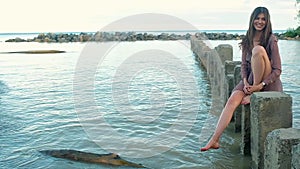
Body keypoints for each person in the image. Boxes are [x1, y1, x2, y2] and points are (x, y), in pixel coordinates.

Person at [200, 6, 283, 151]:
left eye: (263, 19)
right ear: (252, 20)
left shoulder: (271, 39)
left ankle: (254, 94)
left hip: (267, 82)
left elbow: (277, 70)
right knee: (232, 101)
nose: (260, 21)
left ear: (267, 21)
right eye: (257, 18)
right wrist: (244, 81)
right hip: (250, 80)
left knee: (258, 50)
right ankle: (214, 140)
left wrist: (260, 85)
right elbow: (244, 65)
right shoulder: (247, 40)